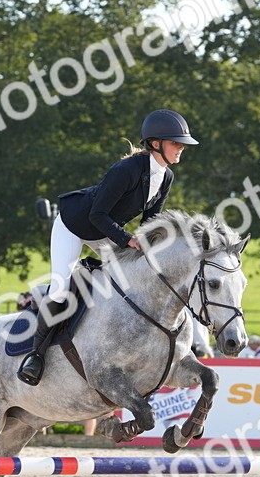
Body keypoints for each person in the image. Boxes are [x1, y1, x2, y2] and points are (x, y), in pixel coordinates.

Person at [18, 109, 199, 386]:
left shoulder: (166, 177)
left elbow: (150, 222)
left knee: (129, 279)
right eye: (176, 143)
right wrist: (127, 241)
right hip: (73, 225)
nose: (181, 149)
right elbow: (96, 215)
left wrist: (152, 247)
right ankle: (35, 355)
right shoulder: (125, 170)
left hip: (105, 231)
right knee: (60, 289)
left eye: (181, 144)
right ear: (155, 143)